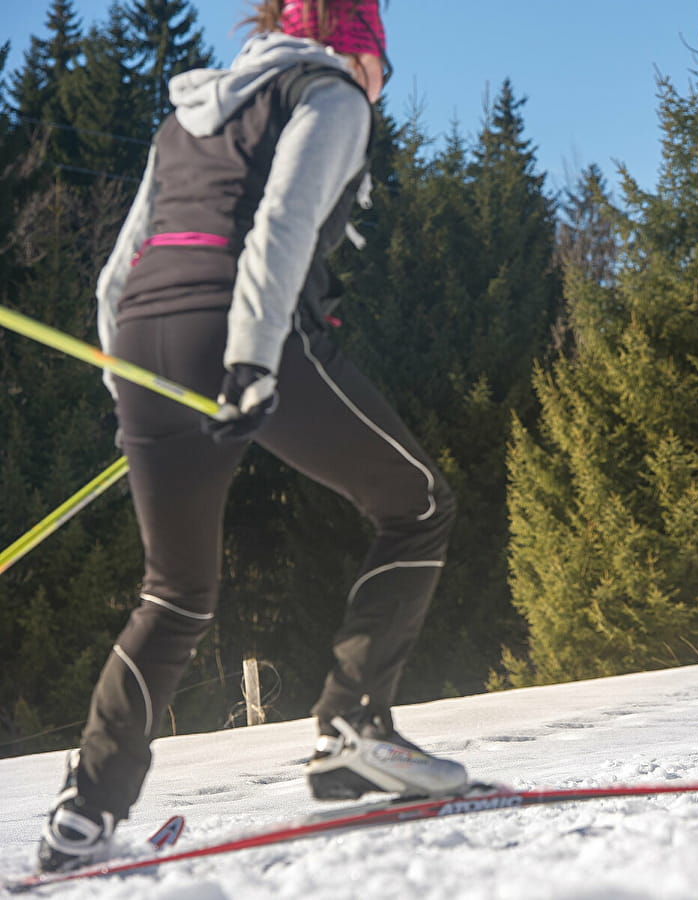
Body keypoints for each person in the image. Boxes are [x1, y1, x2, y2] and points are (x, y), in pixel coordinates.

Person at [37, 0, 465, 874]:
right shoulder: (332, 93)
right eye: (382, 58)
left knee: (175, 592)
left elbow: (123, 265)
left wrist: (122, 384)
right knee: (417, 503)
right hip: (243, 332)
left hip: (144, 341)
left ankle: (86, 810)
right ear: (356, 44)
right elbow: (281, 223)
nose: (384, 80)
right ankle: (353, 727)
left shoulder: (188, 113)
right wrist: (252, 362)